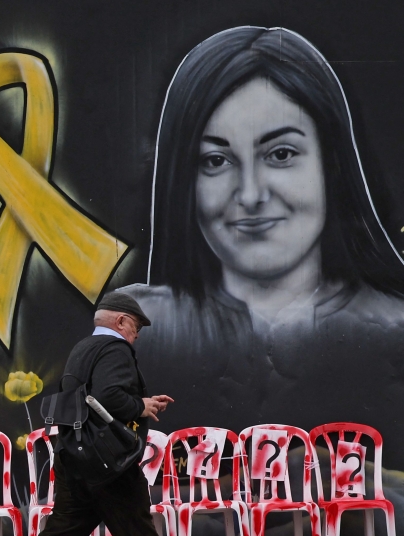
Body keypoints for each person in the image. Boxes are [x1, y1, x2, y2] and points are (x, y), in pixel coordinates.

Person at [122, 26, 404, 345]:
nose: (251, 194)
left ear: (333, 164)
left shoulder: (395, 330)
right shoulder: (137, 332)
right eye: (216, 160)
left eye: (281, 154)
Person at [0, 292, 214, 536]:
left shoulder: (81, 350)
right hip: (110, 468)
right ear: (120, 322)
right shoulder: (116, 351)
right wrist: (142, 405)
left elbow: (85, 400)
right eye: (135, 329)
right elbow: (110, 396)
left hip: (77, 463)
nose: (135, 337)